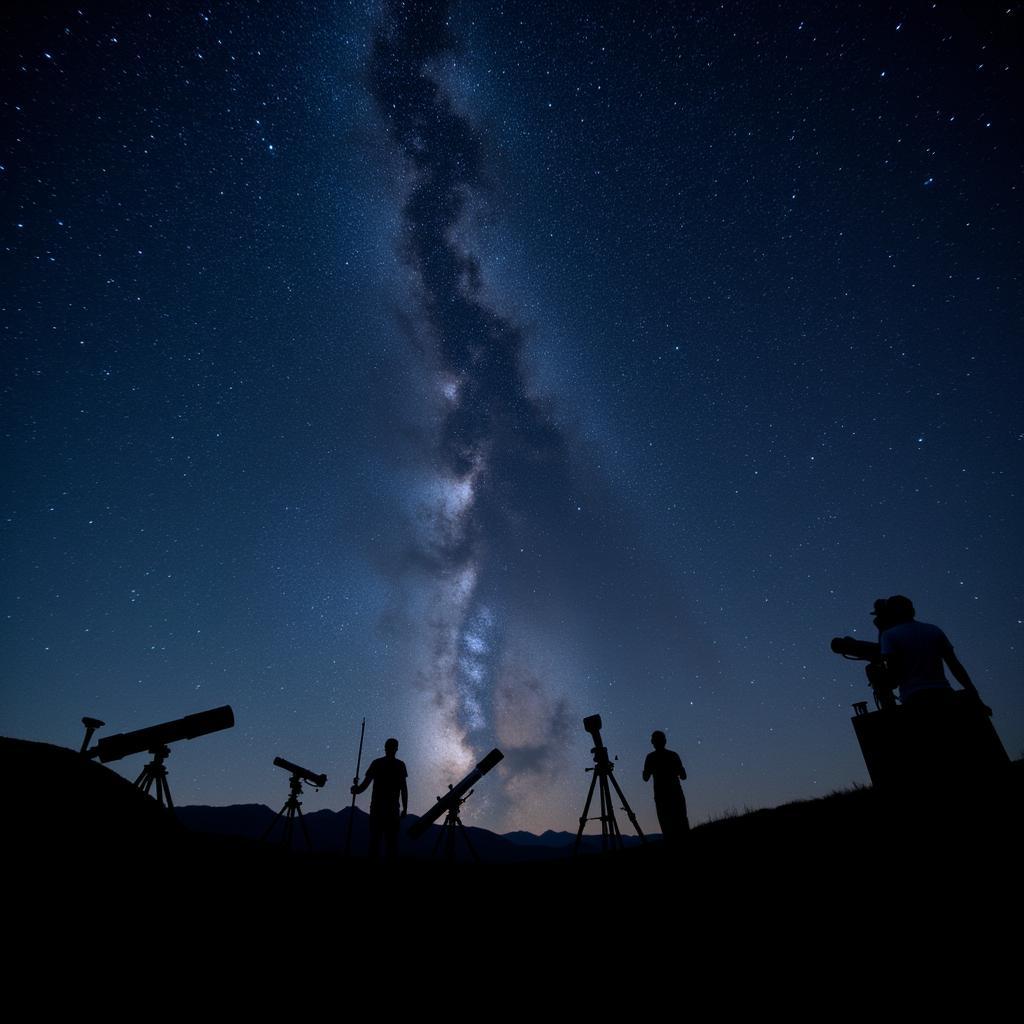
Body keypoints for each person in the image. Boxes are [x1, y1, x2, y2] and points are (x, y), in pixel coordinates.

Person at [877, 595, 986, 709]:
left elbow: (893, 677)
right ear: (912, 610)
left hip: (915, 698)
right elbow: (955, 665)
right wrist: (974, 694)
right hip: (944, 693)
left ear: (890, 614)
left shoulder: (889, 636)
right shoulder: (934, 630)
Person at [351, 737, 408, 858]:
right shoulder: (400, 765)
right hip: (392, 810)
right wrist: (405, 808)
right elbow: (404, 789)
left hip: (377, 809)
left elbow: (364, 786)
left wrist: (355, 790)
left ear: (385, 748)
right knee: (391, 845)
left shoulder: (376, 763)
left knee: (374, 843)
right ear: (396, 749)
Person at [642, 730, 689, 841]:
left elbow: (645, 778)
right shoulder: (673, 755)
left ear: (653, 742)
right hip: (676, 794)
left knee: (666, 826)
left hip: (661, 797)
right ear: (665, 741)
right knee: (682, 823)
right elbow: (683, 776)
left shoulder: (650, 757)